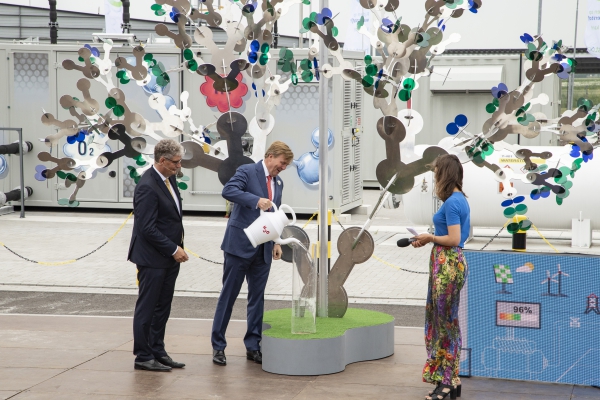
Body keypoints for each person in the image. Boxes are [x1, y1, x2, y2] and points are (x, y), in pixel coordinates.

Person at [211, 141, 294, 366]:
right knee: (228, 297)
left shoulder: (279, 182)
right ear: (270, 156)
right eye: (282, 163)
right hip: (239, 246)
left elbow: (275, 215)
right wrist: (256, 201)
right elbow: (228, 191)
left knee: (257, 299)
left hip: (264, 249)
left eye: (286, 165)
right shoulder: (247, 171)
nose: (283, 167)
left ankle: (253, 346)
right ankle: (218, 346)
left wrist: (277, 242)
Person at [411, 154, 470, 400]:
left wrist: (430, 237)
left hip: (448, 264)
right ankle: (450, 379)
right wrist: (428, 239)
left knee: (445, 323)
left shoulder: (453, 203)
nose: (434, 179)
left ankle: (446, 382)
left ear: (443, 175)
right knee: (442, 321)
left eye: (436, 174)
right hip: (444, 262)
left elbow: (454, 239)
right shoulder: (458, 200)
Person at [128, 139, 189, 372]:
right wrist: (174, 249)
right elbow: (146, 228)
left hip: (168, 256)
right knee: (148, 307)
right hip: (153, 258)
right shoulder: (147, 186)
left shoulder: (168, 178)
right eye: (175, 162)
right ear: (162, 160)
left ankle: (157, 350)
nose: (179, 166)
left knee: (162, 306)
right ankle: (143, 356)